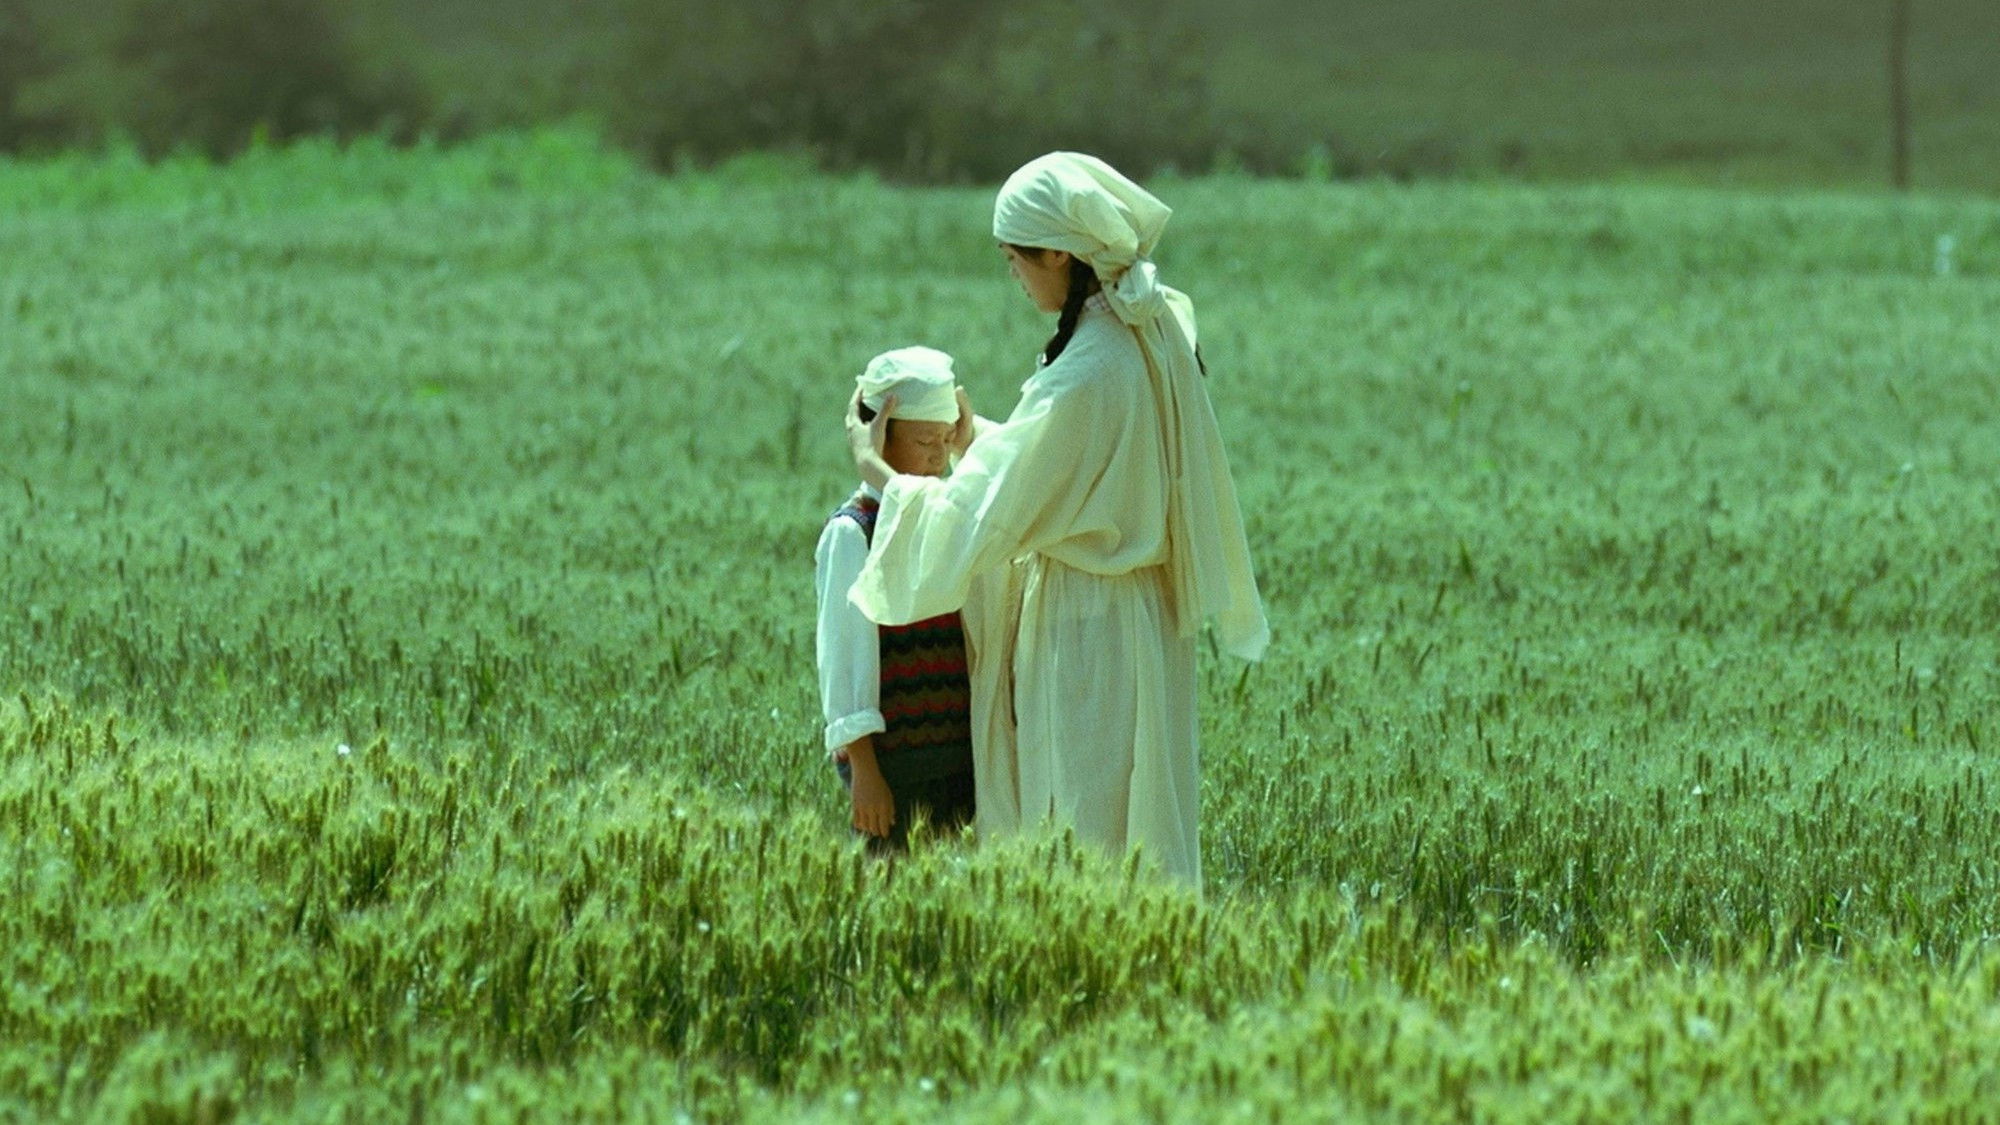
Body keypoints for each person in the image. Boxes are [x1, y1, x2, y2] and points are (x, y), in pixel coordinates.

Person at [843, 152, 1267, 889]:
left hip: (1088, 632)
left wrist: (879, 472)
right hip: (1138, 620)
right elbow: (1071, 470)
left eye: (1015, 258)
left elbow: (986, 514)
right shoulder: (1138, 336)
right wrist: (979, 441)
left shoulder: (1086, 369)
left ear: (1060, 255)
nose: (1012, 274)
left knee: (1084, 825)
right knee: (1134, 830)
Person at [815, 346, 978, 853]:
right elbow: (844, 657)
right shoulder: (855, 533)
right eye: (924, 441)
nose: (937, 456)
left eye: (946, 439)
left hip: (960, 757)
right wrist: (864, 769)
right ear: (880, 439)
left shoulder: (946, 522)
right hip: (894, 763)